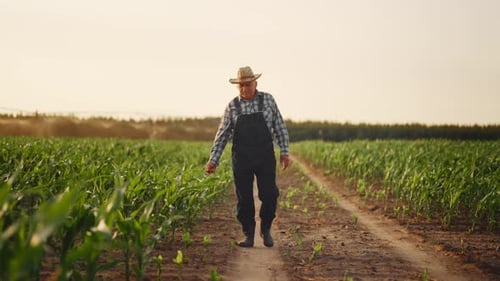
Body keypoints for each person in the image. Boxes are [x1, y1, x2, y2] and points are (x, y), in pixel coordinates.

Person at [205, 66, 291, 248]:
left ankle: (265, 228)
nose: (244, 88)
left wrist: (284, 151)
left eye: (248, 84)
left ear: (255, 83)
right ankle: (249, 235)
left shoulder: (268, 100)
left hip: (265, 155)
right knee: (244, 199)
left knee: (269, 194)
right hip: (242, 157)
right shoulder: (232, 106)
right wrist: (214, 159)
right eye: (241, 86)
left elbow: (279, 126)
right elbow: (222, 134)